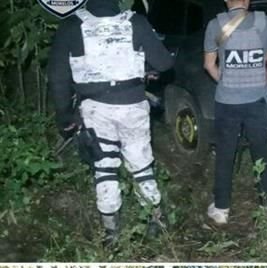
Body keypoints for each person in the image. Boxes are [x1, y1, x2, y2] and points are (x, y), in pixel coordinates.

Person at [47, 0, 173, 246]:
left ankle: (111, 232)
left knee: (104, 168)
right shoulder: (134, 22)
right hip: (132, 105)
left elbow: (58, 77)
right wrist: (144, 66)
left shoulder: (71, 25)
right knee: (141, 163)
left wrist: (64, 116)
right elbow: (165, 63)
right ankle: (156, 222)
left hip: (95, 109)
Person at [203, 0, 267, 226]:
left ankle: (221, 209)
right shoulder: (265, 23)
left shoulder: (215, 25)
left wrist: (226, 82)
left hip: (227, 101)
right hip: (256, 100)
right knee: (261, 151)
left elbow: (209, 65)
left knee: (226, 153)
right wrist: (260, 86)